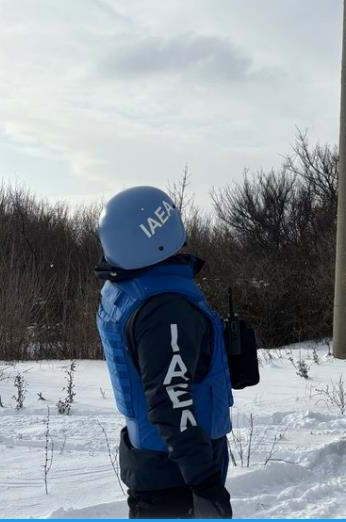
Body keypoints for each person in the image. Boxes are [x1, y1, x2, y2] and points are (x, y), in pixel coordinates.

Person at [95, 186, 234, 518]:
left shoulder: (128, 288)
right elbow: (171, 396)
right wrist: (204, 481)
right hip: (178, 469)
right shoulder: (165, 308)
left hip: (158, 456)